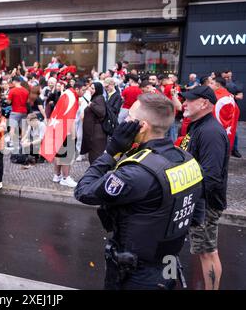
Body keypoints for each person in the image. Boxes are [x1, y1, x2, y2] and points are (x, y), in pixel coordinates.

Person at [75, 93, 205, 290]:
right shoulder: (188, 160)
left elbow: (83, 191)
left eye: (129, 118)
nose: (124, 121)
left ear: (141, 126)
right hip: (168, 264)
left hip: (135, 273)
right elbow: (195, 216)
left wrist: (111, 152)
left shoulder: (136, 172)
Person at [179, 86, 230, 290]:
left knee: (208, 252)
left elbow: (211, 175)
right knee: (204, 251)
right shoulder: (198, 126)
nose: (184, 103)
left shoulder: (210, 132)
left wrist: (194, 201)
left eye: (189, 100)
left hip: (206, 203)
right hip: (199, 201)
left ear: (204, 103)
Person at [81, 82, 107, 164]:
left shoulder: (99, 98)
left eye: (93, 88)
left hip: (97, 133)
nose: (90, 90)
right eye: (90, 88)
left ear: (97, 90)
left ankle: (96, 175)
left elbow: (102, 112)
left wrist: (91, 105)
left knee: (96, 156)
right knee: (93, 156)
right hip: (93, 132)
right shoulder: (95, 98)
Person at [6, 77, 29, 148]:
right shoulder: (26, 91)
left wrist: (7, 99)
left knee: (12, 128)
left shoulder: (12, 90)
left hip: (15, 111)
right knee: (23, 128)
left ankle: (12, 142)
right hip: (24, 111)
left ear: (14, 82)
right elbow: (27, 102)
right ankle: (23, 142)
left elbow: (8, 102)